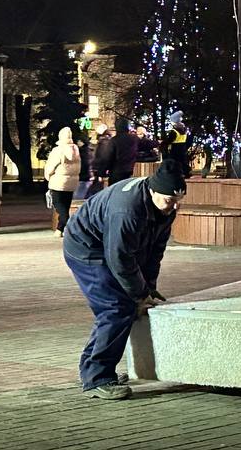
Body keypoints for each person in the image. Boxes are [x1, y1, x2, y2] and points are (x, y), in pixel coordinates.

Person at [62, 158, 187, 399]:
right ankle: (97, 378)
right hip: (86, 247)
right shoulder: (127, 210)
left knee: (120, 307)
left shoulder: (164, 205)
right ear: (153, 191)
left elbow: (154, 251)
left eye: (177, 201)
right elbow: (119, 258)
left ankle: (92, 369)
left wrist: (149, 288)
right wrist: (139, 295)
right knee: (116, 308)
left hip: (108, 245)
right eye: (169, 201)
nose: (173, 207)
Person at [44, 126, 82, 236]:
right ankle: (60, 229)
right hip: (72, 183)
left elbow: (51, 166)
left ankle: (70, 226)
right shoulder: (75, 150)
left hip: (59, 182)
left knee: (59, 205)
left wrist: (48, 176)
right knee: (65, 205)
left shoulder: (58, 150)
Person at [105, 116, 140, 184]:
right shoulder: (133, 139)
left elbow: (108, 157)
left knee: (115, 189)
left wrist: (103, 170)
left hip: (116, 172)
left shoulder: (114, 140)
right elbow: (146, 144)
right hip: (129, 171)